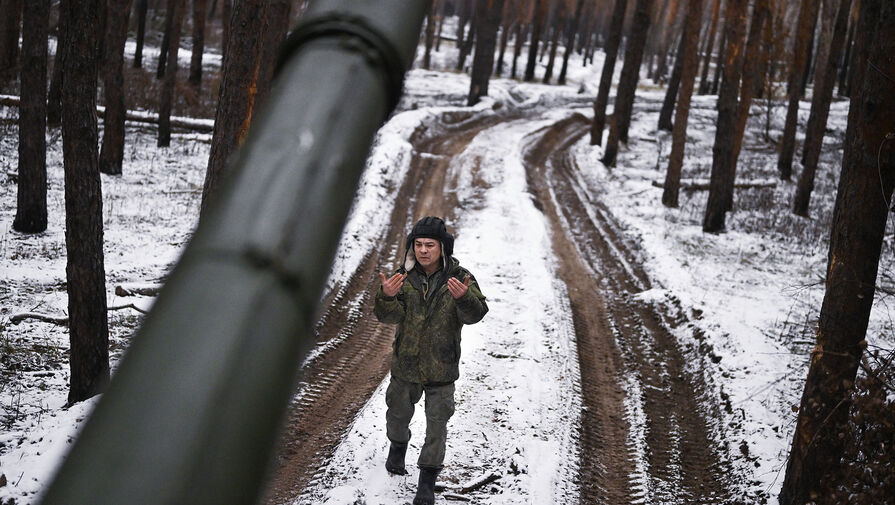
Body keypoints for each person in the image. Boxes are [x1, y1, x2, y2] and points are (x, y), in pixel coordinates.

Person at [374, 216, 488, 505]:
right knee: (397, 416)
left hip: (442, 367)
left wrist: (465, 299)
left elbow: (475, 315)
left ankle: (427, 481)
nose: (423, 250)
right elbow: (388, 316)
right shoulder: (403, 277)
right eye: (418, 244)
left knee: (437, 427)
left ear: (443, 247)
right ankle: (397, 448)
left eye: (430, 245)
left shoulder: (460, 278)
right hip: (406, 365)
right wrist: (387, 297)